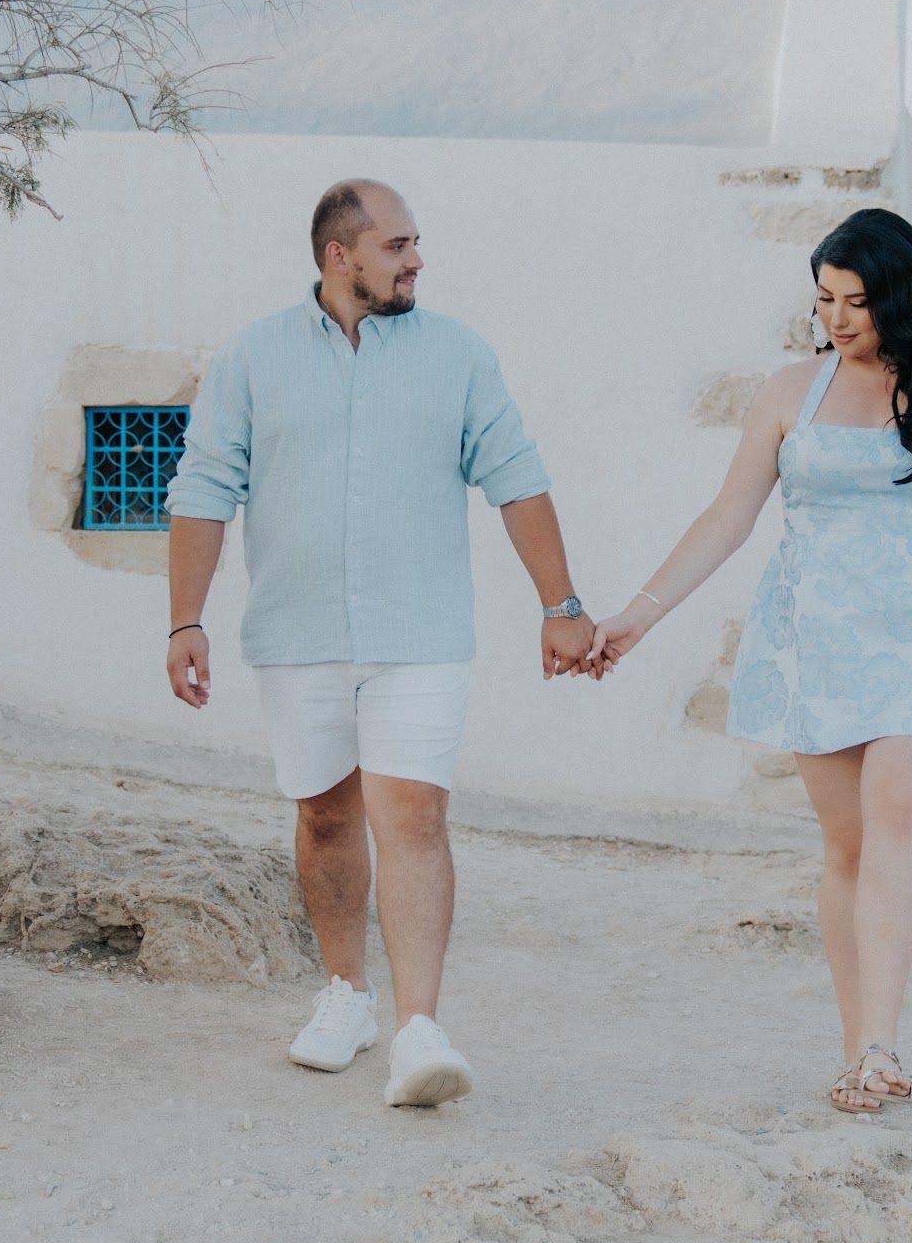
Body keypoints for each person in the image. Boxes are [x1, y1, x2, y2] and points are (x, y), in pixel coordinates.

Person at [588, 207, 912, 1114]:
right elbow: (728, 517)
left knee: (897, 812)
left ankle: (881, 1046)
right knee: (847, 847)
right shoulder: (790, 391)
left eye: (856, 302)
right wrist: (639, 615)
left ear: (898, 296)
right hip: (815, 639)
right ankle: (853, 1042)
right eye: (824, 299)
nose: (836, 318)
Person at [163, 179, 596, 1107]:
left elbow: (517, 478)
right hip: (296, 632)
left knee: (414, 818)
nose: (416, 260)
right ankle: (347, 995)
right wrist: (185, 619)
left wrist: (561, 603)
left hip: (420, 634)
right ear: (340, 256)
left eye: (414, 243)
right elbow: (203, 488)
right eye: (397, 246)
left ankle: (418, 1030)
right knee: (324, 816)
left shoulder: (458, 354)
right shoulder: (252, 357)